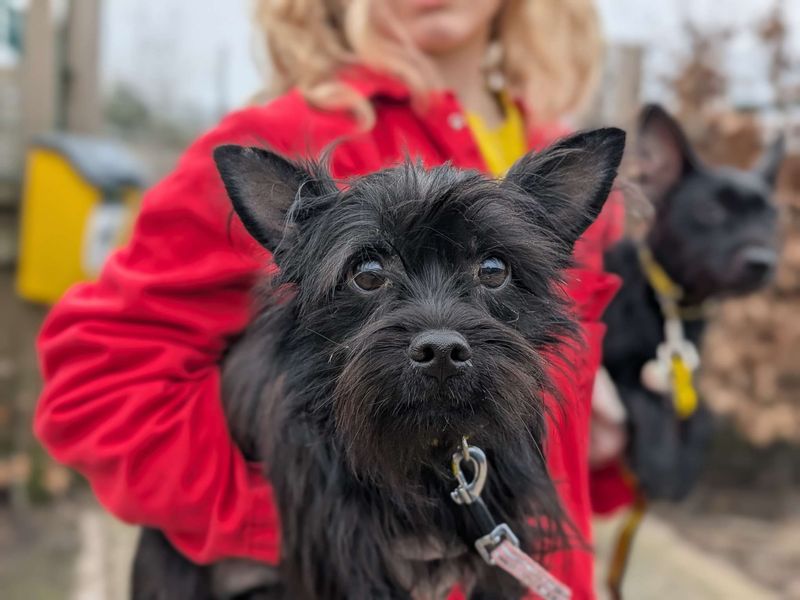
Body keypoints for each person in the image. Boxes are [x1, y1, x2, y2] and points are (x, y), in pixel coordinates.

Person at [34, 0, 631, 597]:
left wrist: (600, 424)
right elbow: (93, 386)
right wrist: (312, 531)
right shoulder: (283, 137)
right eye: (369, 275)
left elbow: (554, 417)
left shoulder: (553, 149)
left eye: (493, 270)